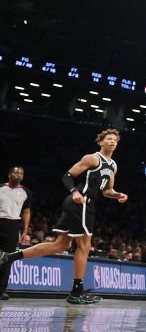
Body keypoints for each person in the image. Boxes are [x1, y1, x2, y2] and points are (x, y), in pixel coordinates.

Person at [0, 130, 128, 304]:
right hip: (80, 202)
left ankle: (10, 256)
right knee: (84, 246)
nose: (112, 142)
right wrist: (74, 191)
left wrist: (118, 194)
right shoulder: (92, 158)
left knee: (60, 245)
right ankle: (77, 291)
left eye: (115, 140)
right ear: (101, 142)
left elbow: (106, 191)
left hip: (85, 203)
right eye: (109, 139)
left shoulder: (113, 165)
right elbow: (67, 176)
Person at [0, 166, 32, 300]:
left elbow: (26, 212)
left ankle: (1, 291)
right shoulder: (1, 188)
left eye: (21, 173)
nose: (18, 175)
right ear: (9, 174)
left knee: (7, 259)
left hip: (13, 226)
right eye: (15, 172)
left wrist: (25, 231)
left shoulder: (26, 192)